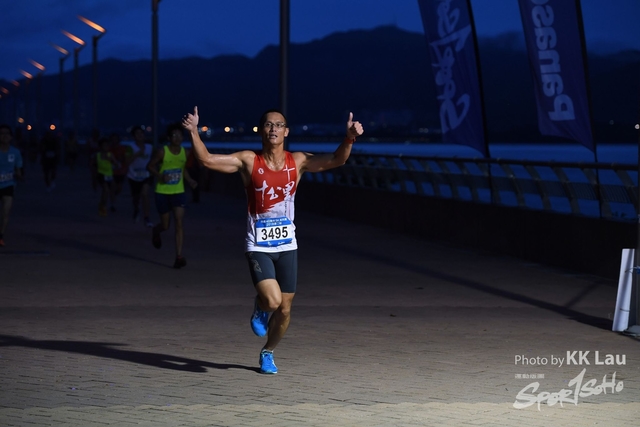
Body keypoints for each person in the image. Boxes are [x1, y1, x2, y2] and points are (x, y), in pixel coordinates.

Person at [182, 106, 363, 374]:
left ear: (286, 132)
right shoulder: (248, 161)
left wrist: (349, 138)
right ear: (261, 131)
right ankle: (260, 307)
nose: (273, 129)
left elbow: (337, 159)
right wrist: (194, 131)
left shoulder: (297, 161)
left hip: (288, 245)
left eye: (279, 125)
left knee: (285, 310)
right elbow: (207, 160)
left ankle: (268, 352)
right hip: (258, 244)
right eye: (268, 124)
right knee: (272, 301)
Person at [146, 123, 197, 269]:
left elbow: (183, 169)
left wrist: (190, 180)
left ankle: (178, 256)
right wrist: (160, 176)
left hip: (178, 192)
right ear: (169, 138)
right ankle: (156, 230)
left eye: (180, 135)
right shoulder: (162, 152)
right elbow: (149, 166)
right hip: (162, 192)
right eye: (174, 135)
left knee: (179, 222)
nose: (177, 138)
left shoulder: (185, 152)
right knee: (165, 225)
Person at [0, 124, 24, 247]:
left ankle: (1, 236)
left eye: (7, 134)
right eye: (2, 133)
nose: (4, 136)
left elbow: (19, 170)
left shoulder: (15, 152)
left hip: (9, 185)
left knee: (6, 212)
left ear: (11, 137)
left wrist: (19, 176)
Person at [126, 126, 154, 227]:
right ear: (134, 136)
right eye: (137, 134)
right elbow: (127, 161)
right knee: (136, 197)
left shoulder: (150, 147)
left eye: (141, 133)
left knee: (145, 194)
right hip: (133, 176)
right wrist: (138, 153)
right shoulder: (131, 147)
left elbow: (155, 159)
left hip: (146, 175)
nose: (140, 135)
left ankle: (146, 217)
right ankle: (136, 209)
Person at [94, 137, 117, 216]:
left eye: (107, 145)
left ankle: (111, 204)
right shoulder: (97, 155)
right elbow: (94, 167)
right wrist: (94, 179)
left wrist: (111, 160)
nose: (106, 147)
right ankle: (102, 207)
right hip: (101, 174)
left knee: (112, 190)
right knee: (106, 190)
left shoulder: (110, 155)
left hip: (109, 175)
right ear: (100, 146)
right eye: (104, 145)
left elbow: (116, 164)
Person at [109, 132, 131, 208]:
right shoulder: (109, 149)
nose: (114, 141)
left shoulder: (122, 149)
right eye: (113, 139)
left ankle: (112, 195)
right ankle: (113, 204)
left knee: (119, 189)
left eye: (115, 139)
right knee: (112, 186)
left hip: (120, 171)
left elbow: (126, 159)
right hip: (111, 171)